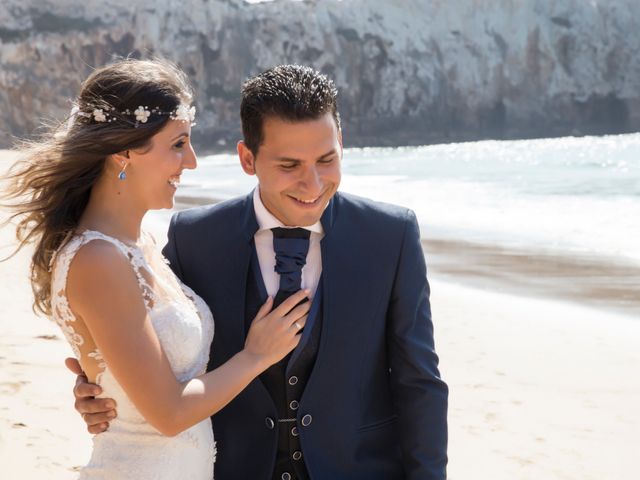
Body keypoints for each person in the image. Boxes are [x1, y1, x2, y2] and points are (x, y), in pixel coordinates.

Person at [71, 64, 448, 479]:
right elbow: (153, 342)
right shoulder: (194, 238)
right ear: (247, 159)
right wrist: (107, 392)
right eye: (290, 166)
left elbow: (419, 383)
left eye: (327, 159)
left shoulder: (390, 236)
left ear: (341, 142)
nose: (313, 183)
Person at [2, 59, 311, 479]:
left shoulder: (141, 245)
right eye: (179, 144)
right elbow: (168, 412)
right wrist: (256, 356)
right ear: (125, 151)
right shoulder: (97, 259)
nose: (192, 162)